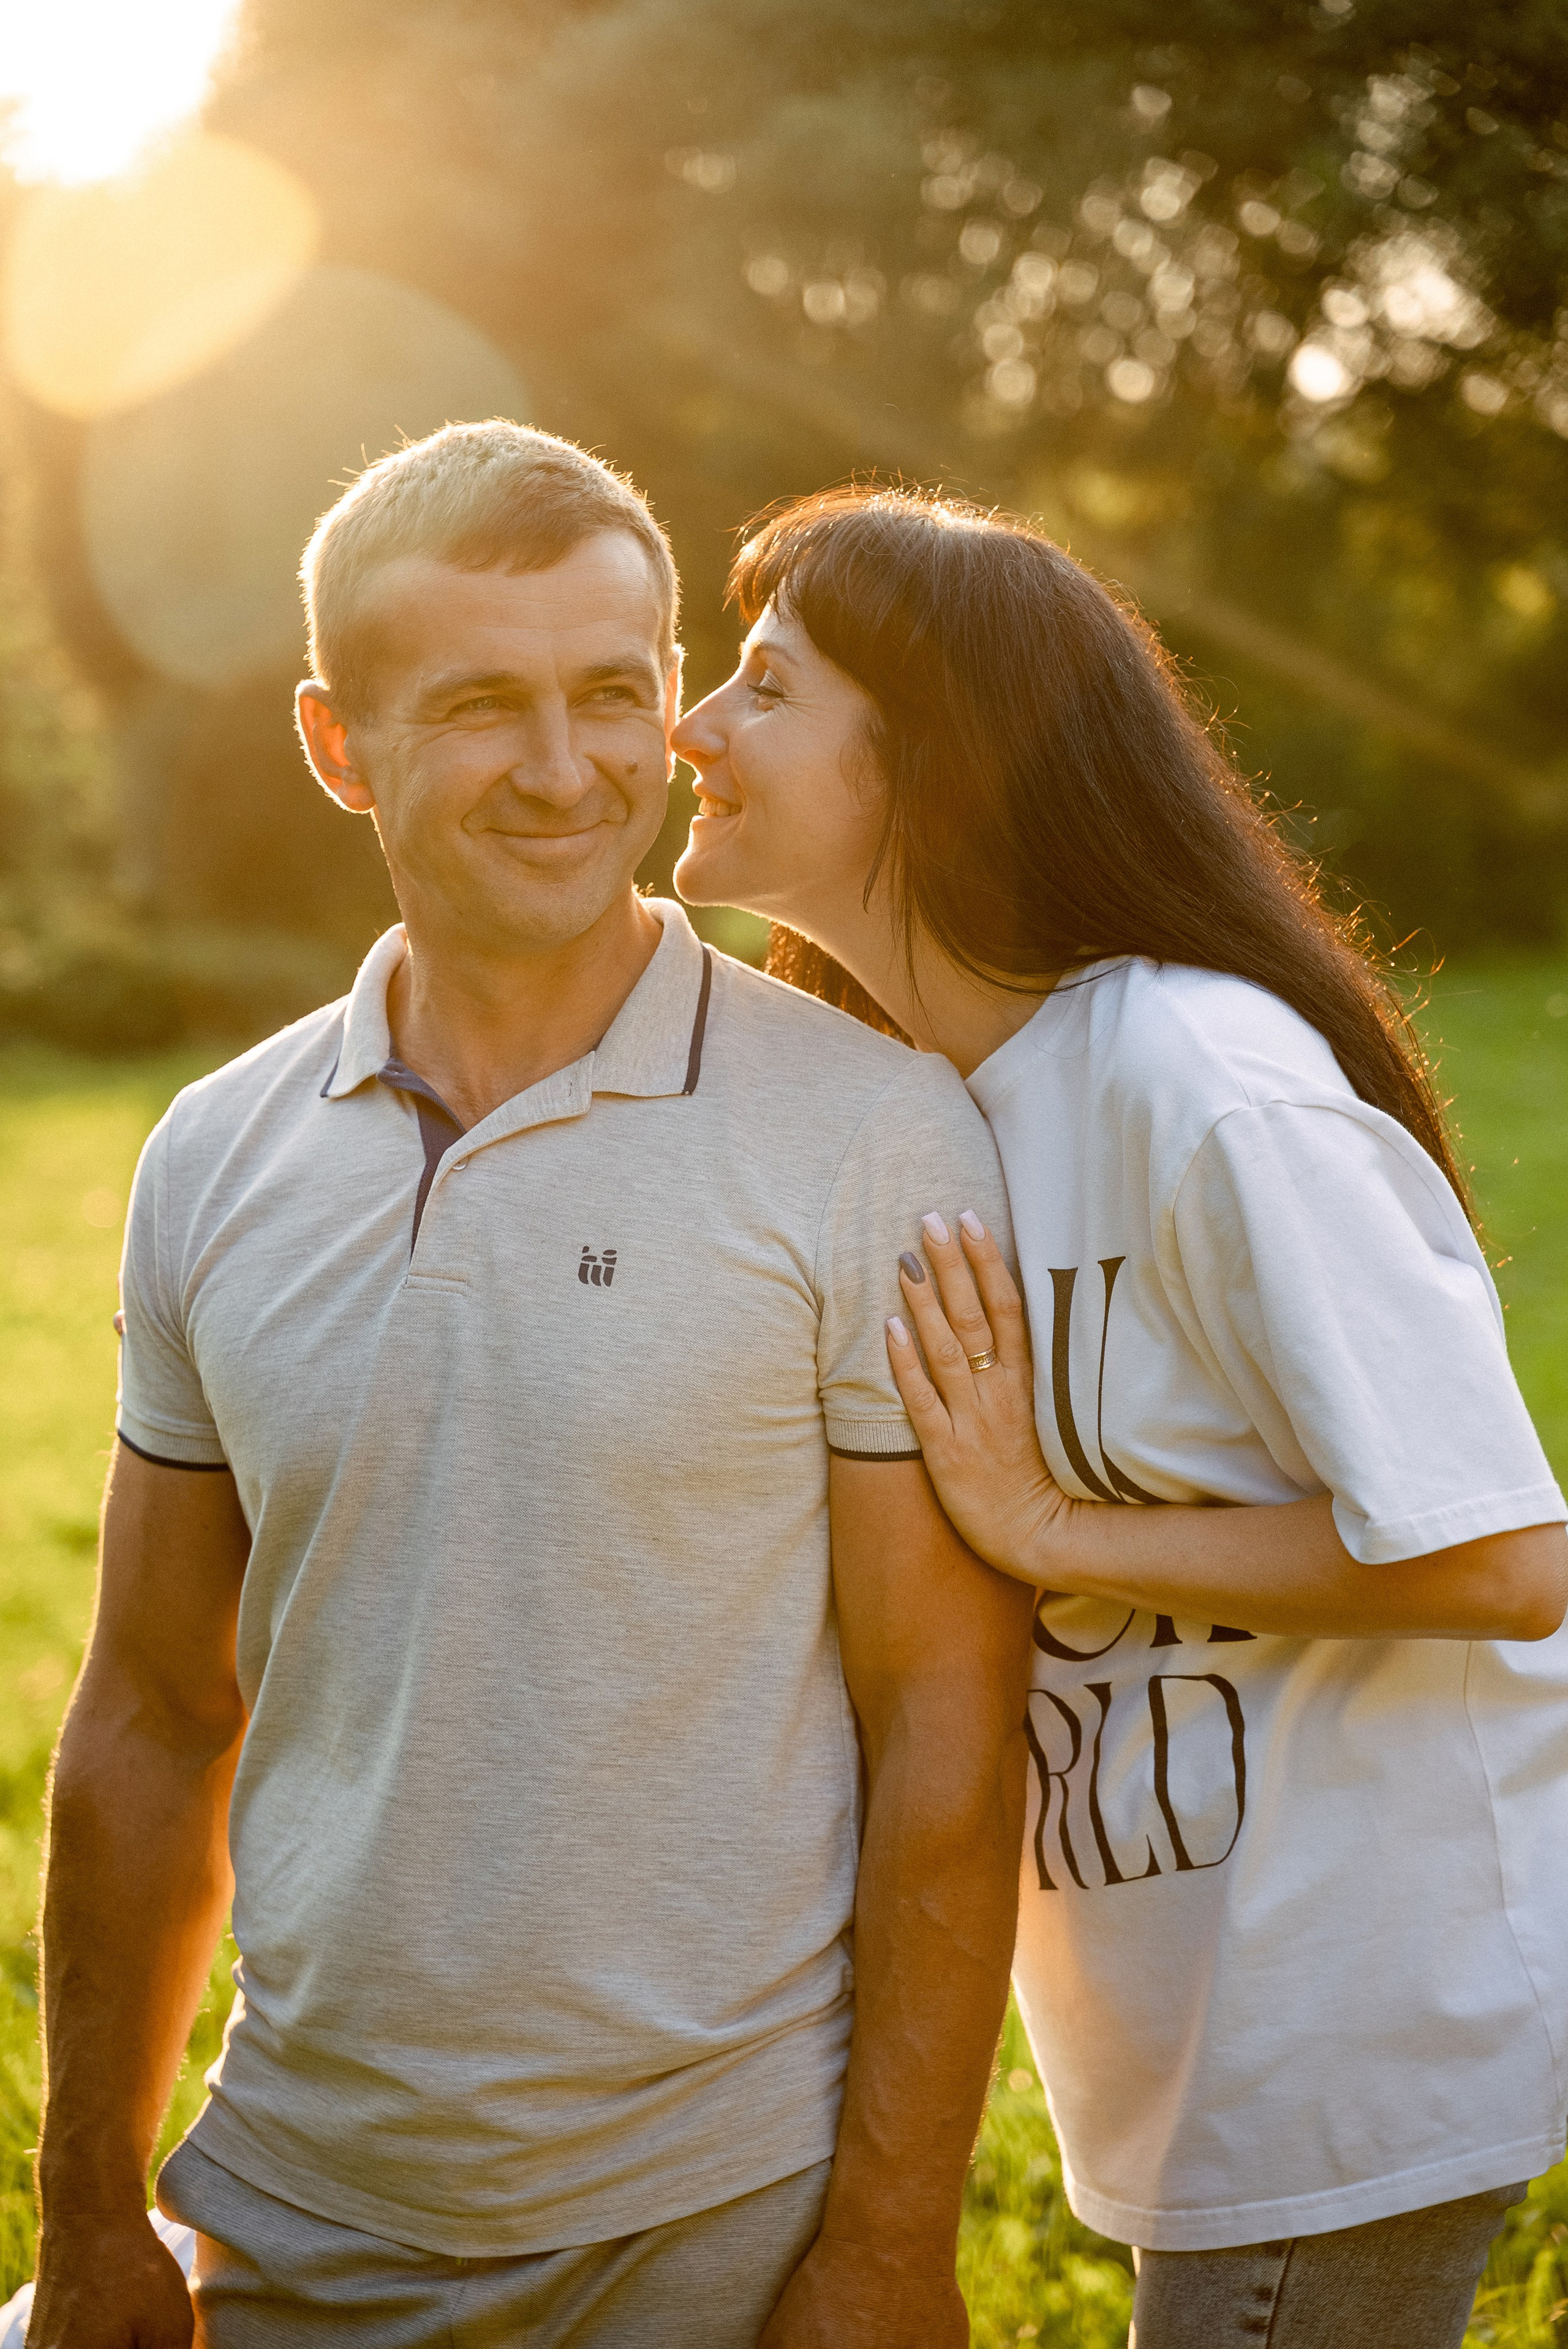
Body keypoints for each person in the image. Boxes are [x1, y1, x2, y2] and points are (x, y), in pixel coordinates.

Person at [30, 429, 1036, 2349]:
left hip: (718, 2220)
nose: (572, 772)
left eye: (615, 695)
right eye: (485, 705)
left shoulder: (869, 1129)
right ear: (339, 746)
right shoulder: (212, 1156)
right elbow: (155, 1711)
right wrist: (88, 2219)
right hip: (295, 2201)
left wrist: (894, 2242)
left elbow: (947, 1716)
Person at [671, 484, 1568, 2349]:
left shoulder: (1197, 1077)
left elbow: (1502, 1555)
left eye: (763, 684)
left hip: (1358, 2031)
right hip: (1194, 2036)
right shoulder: (934, 1103)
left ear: (928, 759)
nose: (696, 726)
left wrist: (1057, 1528)